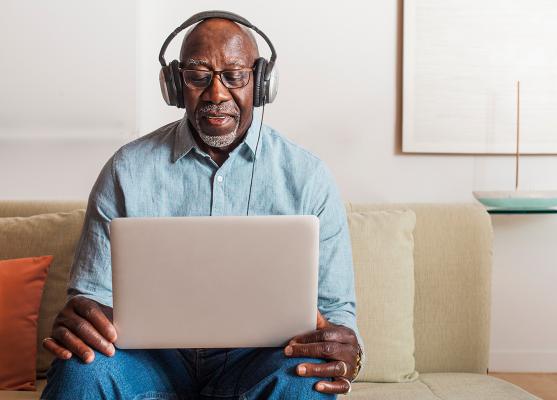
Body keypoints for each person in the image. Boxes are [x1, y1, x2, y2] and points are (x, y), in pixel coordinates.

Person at [41, 11, 363, 400]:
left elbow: (336, 310)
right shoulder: (126, 169)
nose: (216, 94)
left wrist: (343, 346)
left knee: (306, 383)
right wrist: (83, 316)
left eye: (234, 75)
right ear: (176, 85)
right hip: (148, 360)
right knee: (81, 370)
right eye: (198, 77)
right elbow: (91, 295)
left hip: (260, 360)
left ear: (261, 83)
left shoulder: (308, 176)